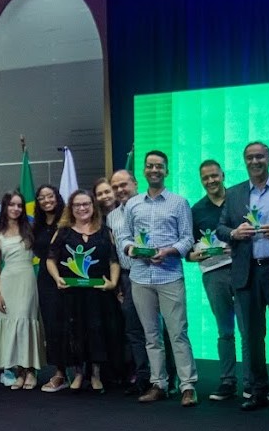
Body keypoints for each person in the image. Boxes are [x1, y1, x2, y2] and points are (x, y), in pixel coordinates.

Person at [218, 142, 269, 411]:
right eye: (250, 157)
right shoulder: (234, 193)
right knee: (252, 336)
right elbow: (221, 227)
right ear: (244, 161)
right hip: (247, 272)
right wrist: (234, 233)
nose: (255, 161)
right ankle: (259, 390)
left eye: (259, 156)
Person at [118, 151, 199, 406]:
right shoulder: (133, 204)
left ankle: (187, 386)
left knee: (178, 333)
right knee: (151, 335)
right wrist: (132, 250)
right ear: (144, 171)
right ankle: (159, 384)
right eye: (150, 166)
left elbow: (187, 238)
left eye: (159, 166)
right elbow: (124, 237)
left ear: (166, 171)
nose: (154, 170)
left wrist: (168, 251)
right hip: (140, 277)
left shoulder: (179, 203)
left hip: (170, 275)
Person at [47, 190, 121, 393]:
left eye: (86, 204)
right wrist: (57, 278)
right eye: (77, 205)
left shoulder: (105, 231)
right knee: (75, 332)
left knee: (97, 331)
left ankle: (95, 374)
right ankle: (79, 373)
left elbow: (113, 260)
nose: (82, 208)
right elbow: (50, 259)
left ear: (93, 206)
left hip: (98, 293)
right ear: (71, 208)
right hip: (71, 294)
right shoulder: (63, 232)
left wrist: (113, 283)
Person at [189, 159, 242, 401]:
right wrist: (192, 256)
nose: (211, 181)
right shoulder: (196, 210)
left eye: (214, 176)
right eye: (206, 178)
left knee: (250, 330)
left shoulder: (238, 200)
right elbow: (188, 248)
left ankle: (254, 382)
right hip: (213, 274)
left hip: (242, 270)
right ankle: (228, 381)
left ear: (223, 175)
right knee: (225, 330)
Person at [0, 192, 44, 390]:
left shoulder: (30, 229)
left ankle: (31, 370)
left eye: (19, 205)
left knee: (25, 321)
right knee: (11, 323)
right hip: (7, 282)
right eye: (11, 205)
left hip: (27, 280)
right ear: (5, 207)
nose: (16, 209)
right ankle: (19, 370)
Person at [107, 169, 150, 394]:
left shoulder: (148, 207)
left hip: (151, 272)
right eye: (115, 187)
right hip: (126, 276)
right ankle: (143, 378)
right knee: (133, 330)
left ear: (135, 183)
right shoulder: (112, 217)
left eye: (123, 184)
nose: (119, 190)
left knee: (157, 330)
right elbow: (114, 252)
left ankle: (168, 377)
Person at [33, 184, 68, 392]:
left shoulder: (67, 220)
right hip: (46, 280)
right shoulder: (36, 225)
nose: (46, 200)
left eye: (50, 196)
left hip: (69, 275)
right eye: (42, 198)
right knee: (52, 326)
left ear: (57, 197)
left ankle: (82, 371)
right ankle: (60, 373)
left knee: (72, 325)